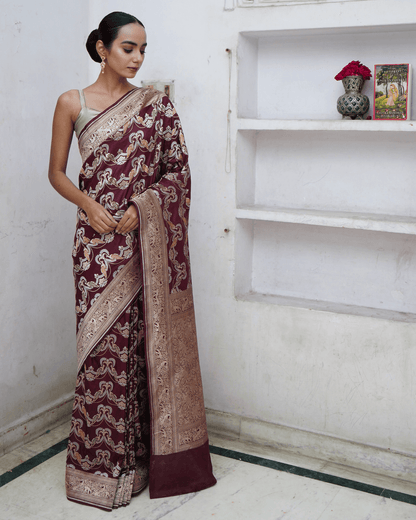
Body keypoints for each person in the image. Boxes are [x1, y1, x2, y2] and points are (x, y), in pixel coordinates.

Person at [48, 11, 216, 511]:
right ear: (102, 48)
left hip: (142, 245)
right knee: (100, 354)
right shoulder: (71, 103)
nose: (139, 58)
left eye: (144, 49)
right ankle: (98, 469)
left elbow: (177, 174)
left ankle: (141, 463)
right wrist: (91, 207)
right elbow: (56, 173)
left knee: (138, 348)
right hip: (95, 248)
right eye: (128, 48)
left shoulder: (156, 106)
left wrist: (141, 212)